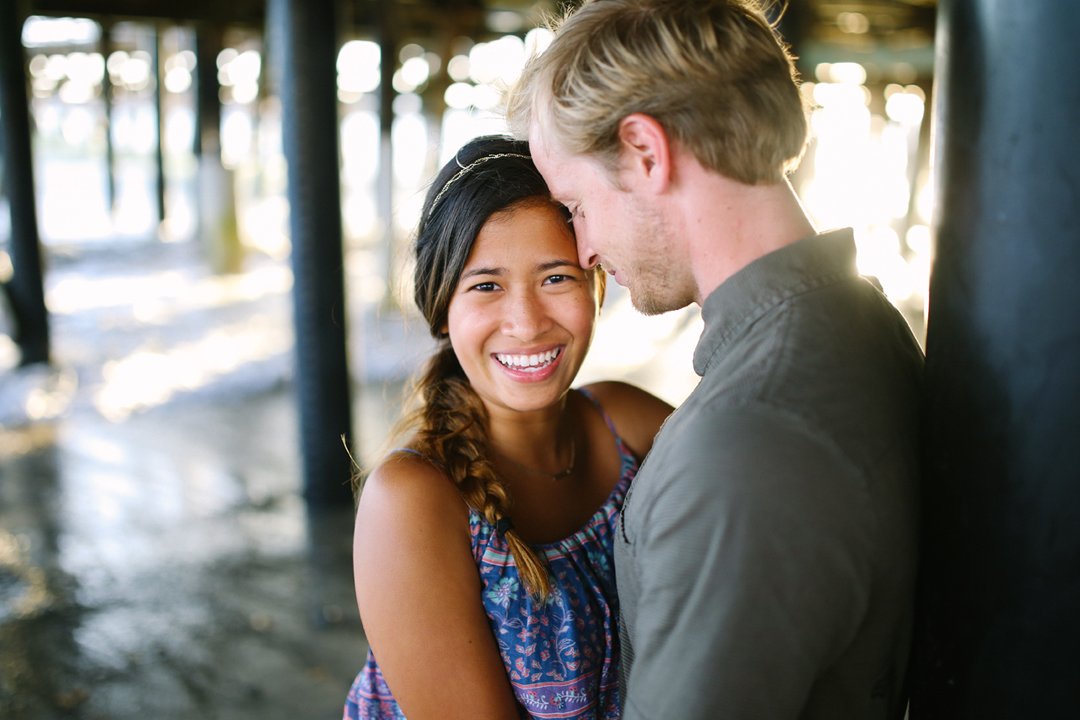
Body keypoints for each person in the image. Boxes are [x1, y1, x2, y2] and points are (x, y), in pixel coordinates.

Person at [508, 1, 924, 719]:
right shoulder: (865, 322)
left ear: (645, 152)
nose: (583, 253)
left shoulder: (748, 444)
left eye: (575, 206)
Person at [343, 136, 672, 720]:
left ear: (597, 283)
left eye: (556, 278)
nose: (526, 323)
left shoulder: (630, 424)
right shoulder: (414, 501)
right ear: (442, 306)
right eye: (487, 285)